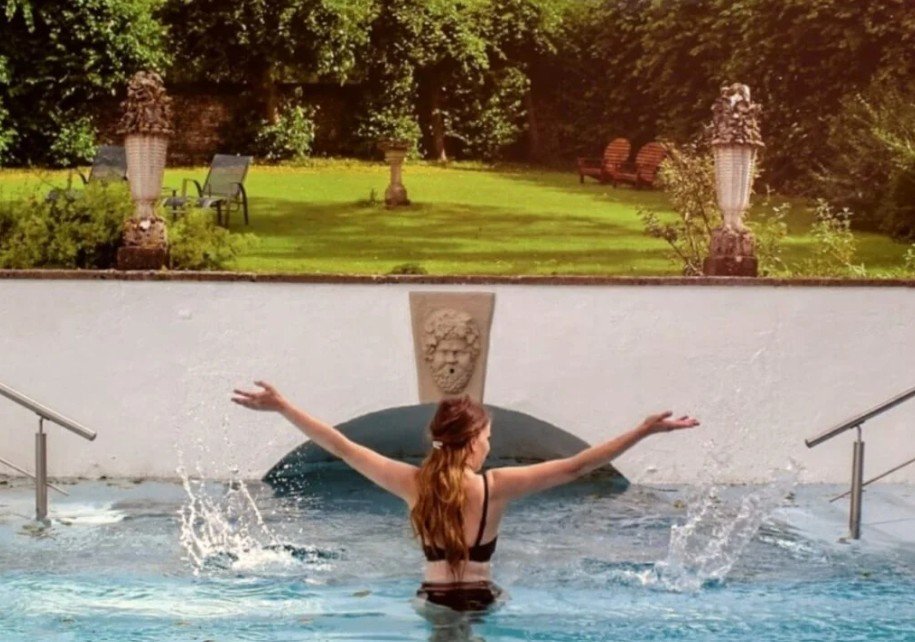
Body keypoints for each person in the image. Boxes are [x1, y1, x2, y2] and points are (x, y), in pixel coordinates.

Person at [232, 381, 699, 613]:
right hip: (484, 600)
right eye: (488, 438)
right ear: (474, 441)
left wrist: (283, 407)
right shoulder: (495, 487)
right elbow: (578, 465)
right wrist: (642, 431)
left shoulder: (413, 483)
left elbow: (340, 445)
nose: (490, 446)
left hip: (431, 601)